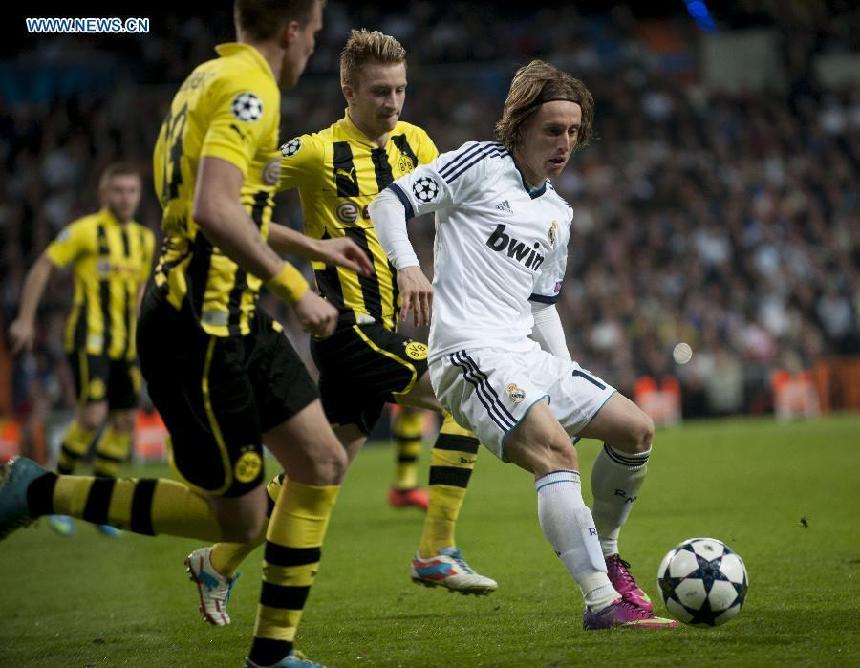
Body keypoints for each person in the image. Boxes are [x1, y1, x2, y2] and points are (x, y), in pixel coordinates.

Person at [0, 1, 375, 665]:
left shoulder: (205, 79)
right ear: (292, 30)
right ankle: (34, 489)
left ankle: (273, 654)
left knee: (322, 463)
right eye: (315, 33)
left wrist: (314, 250)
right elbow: (211, 210)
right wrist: (293, 288)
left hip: (236, 316)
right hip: (197, 327)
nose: (315, 46)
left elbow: (231, 208)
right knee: (240, 518)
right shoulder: (250, 90)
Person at [183, 29, 497, 629]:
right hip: (349, 328)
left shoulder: (417, 142)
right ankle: (436, 549)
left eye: (401, 90)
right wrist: (310, 249)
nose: (393, 103)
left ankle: (217, 561)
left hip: (390, 326)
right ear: (348, 89)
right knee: (471, 392)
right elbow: (235, 203)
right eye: (380, 92)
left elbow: (458, 210)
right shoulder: (313, 152)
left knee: (318, 471)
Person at [369, 59, 679, 630]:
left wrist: (564, 373)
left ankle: (608, 557)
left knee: (636, 429)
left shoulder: (559, 214)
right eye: (552, 130)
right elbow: (388, 202)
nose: (565, 144)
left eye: (572, 132)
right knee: (556, 453)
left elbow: (541, 307)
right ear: (520, 126)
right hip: (466, 354)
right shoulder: (480, 163)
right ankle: (602, 605)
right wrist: (410, 269)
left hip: (525, 352)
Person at [9, 163, 155, 538]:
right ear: (104, 194)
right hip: (89, 340)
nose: (126, 198)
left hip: (126, 344)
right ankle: (58, 496)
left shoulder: (143, 239)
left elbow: (139, 290)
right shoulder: (84, 231)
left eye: (132, 191)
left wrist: (145, 331)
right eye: (119, 190)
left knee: (124, 423)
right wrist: (25, 318)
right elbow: (43, 266)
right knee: (91, 417)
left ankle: (100, 505)